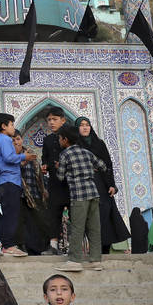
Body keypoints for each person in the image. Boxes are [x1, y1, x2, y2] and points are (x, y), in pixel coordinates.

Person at [75, 117, 130, 253]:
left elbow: (108, 165)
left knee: (104, 216)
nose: (85, 127)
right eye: (81, 125)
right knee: (90, 218)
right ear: (77, 128)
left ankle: (104, 248)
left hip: (102, 185)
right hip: (85, 186)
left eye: (87, 125)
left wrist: (112, 185)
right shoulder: (75, 145)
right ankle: (93, 249)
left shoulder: (99, 144)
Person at [56, 125, 107, 272]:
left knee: (78, 228)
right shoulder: (87, 152)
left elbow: (60, 177)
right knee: (94, 228)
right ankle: (95, 260)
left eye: (60, 138)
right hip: (93, 193)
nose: (59, 141)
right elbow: (103, 166)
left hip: (78, 196)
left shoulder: (65, 154)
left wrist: (62, 169)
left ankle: (74, 260)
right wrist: (90, 169)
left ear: (65, 140)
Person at [0, 112, 33, 257]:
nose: (14, 128)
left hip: (7, 182)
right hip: (8, 183)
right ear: (4, 126)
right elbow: (9, 158)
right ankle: (8, 245)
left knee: (11, 215)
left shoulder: (2, 140)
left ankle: (7, 244)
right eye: (12, 124)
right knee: (11, 215)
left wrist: (22, 161)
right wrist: (24, 156)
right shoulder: (5, 140)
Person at [13, 130, 52, 255]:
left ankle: (40, 249)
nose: (16, 142)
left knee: (39, 224)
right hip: (20, 196)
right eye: (12, 140)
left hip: (35, 195)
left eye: (18, 139)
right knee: (24, 226)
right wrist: (21, 162)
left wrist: (44, 189)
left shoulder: (31, 155)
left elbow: (39, 175)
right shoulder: (10, 158)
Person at [42, 107, 71, 255]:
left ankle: (77, 247)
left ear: (63, 120)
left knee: (75, 214)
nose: (51, 123)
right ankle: (53, 246)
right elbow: (45, 157)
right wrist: (45, 165)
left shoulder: (70, 135)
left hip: (70, 183)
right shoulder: (47, 140)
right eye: (49, 120)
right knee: (53, 214)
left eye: (55, 119)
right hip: (55, 183)